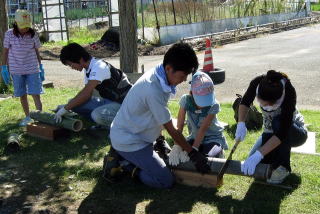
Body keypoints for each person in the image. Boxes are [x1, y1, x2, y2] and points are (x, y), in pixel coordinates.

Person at [107, 43, 210, 188]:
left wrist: (160, 139)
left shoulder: (160, 75)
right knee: (165, 180)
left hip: (137, 132)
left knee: (166, 155)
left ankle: (146, 150)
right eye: (183, 75)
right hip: (130, 141)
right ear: (169, 68)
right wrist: (192, 153)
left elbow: (158, 115)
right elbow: (171, 130)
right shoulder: (153, 89)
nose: (184, 79)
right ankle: (126, 166)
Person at [235, 70, 307, 184]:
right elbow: (245, 102)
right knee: (257, 162)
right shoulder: (258, 82)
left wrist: (259, 154)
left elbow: (282, 133)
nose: (263, 106)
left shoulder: (289, 93)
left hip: (296, 133)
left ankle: (284, 167)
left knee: (278, 122)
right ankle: (273, 159)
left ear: (276, 100)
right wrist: (241, 124)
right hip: (272, 130)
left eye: (267, 104)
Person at [55, 43, 132, 129]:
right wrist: (67, 106)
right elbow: (85, 95)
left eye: (71, 64)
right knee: (73, 103)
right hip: (109, 101)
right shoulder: (88, 68)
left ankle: (128, 125)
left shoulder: (99, 67)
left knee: (97, 115)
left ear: (80, 59)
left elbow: (86, 94)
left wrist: (65, 109)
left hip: (125, 104)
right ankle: (106, 123)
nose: (72, 67)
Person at [1, 10, 44, 126]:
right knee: (22, 94)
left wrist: (41, 66)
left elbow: (37, 51)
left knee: (36, 93)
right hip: (16, 70)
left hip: (32, 69)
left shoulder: (33, 34)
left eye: (26, 27)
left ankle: (40, 117)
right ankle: (28, 117)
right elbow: (5, 52)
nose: (25, 29)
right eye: (22, 27)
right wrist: (3, 67)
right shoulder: (9, 34)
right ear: (16, 23)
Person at [175, 71, 228, 159]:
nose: (203, 105)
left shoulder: (214, 105)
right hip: (194, 137)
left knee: (207, 157)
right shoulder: (185, 101)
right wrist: (176, 146)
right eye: (201, 100)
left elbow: (203, 129)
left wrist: (194, 149)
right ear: (191, 93)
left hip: (213, 138)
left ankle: (220, 152)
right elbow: (179, 125)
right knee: (181, 152)